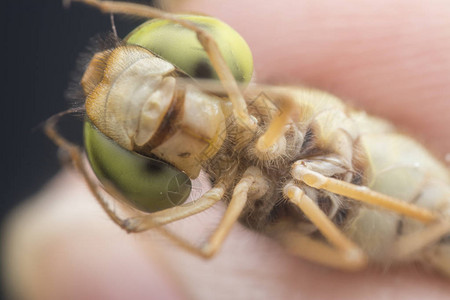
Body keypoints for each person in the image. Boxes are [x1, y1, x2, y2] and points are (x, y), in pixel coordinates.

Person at [4, 0, 450, 299]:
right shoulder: (231, 185)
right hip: (358, 225)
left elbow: (284, 98)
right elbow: (143, 226)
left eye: (174, 90)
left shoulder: (276, 105)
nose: (164, 110)